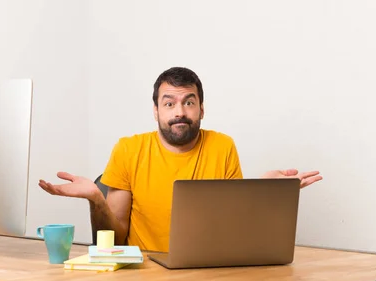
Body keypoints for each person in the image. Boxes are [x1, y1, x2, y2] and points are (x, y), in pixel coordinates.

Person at [39, 67, 322, 252]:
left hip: (207, 274)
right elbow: (113, 241)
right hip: (145, 274)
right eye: (169, 103)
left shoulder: (223, 146)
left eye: (189, 102)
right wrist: (95, 199)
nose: (180, 112)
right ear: (155, 110)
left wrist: (264, 191)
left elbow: (233, 229)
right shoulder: (129, 149)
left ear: (201, 109)